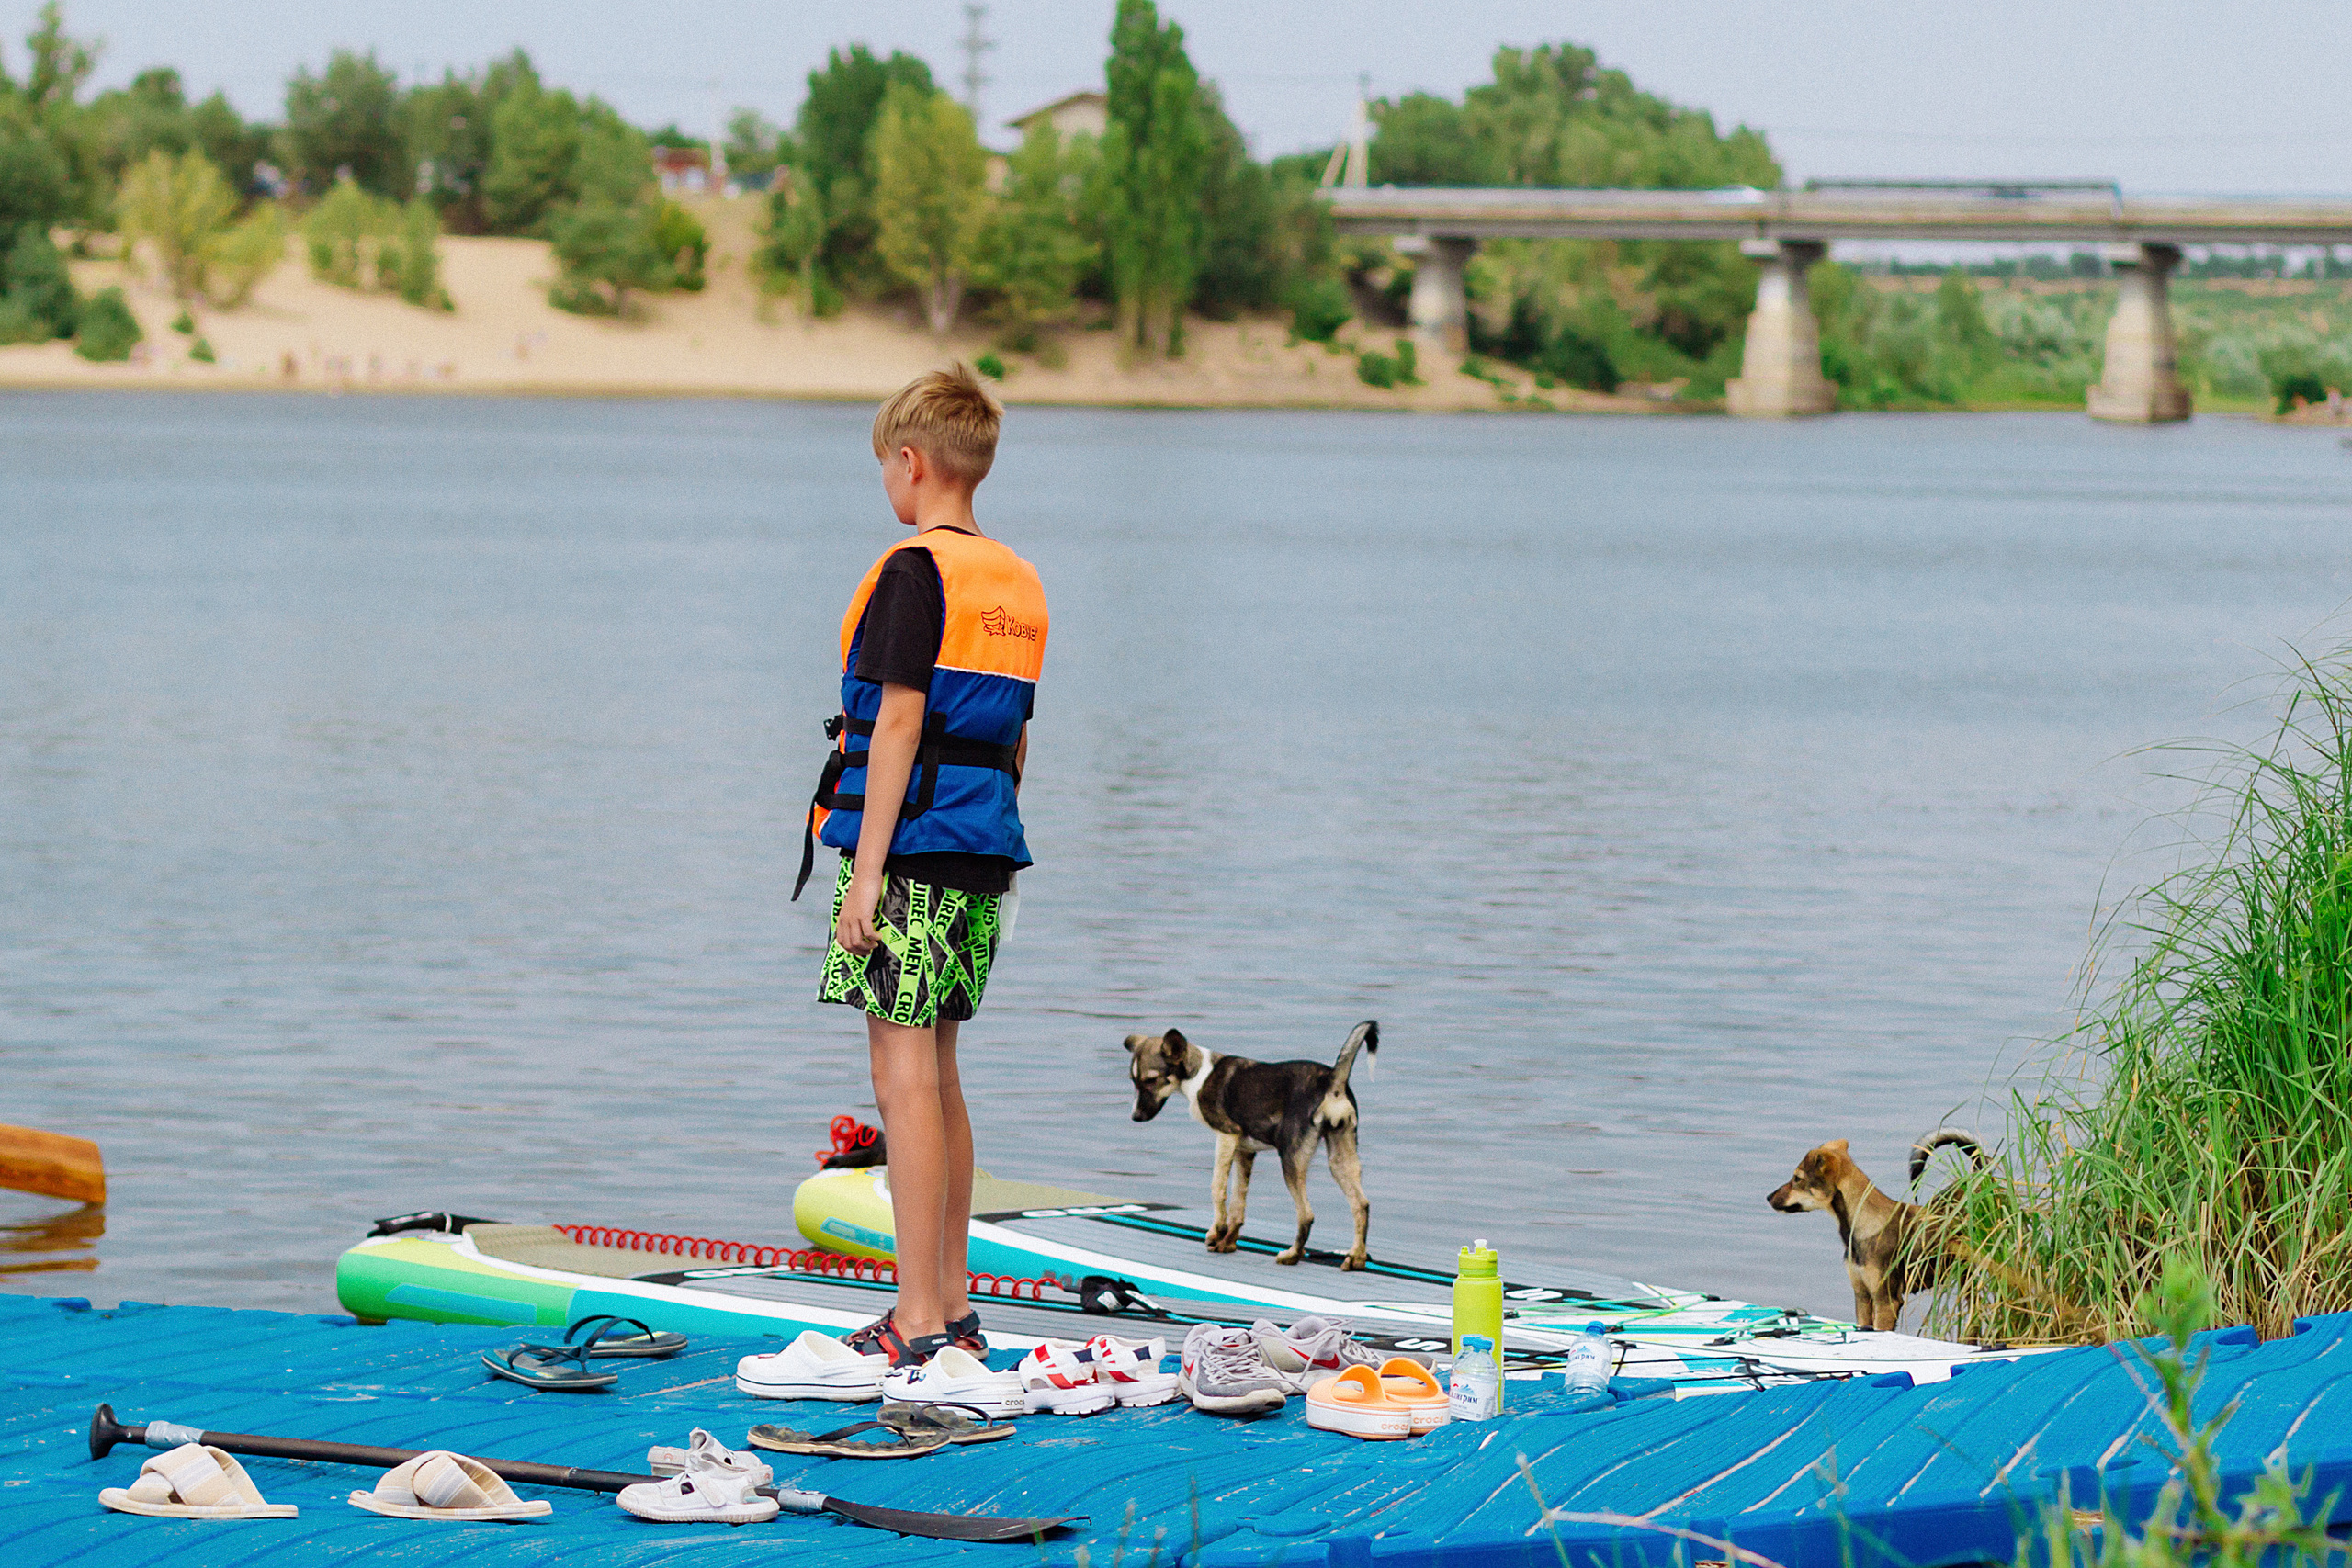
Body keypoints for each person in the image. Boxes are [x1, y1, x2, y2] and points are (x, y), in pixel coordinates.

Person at [793, 364, 1049, 1368]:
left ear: (910, 464)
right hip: (984, 848)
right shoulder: (1017, 581)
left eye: (885, 474)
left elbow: (898, 718)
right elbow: (1017, 737)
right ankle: (952, 1306)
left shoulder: (916, 570)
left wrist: (865, 876)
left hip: (909, 850)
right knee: (937, 1072)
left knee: (900, 1074)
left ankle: (918, 1320)